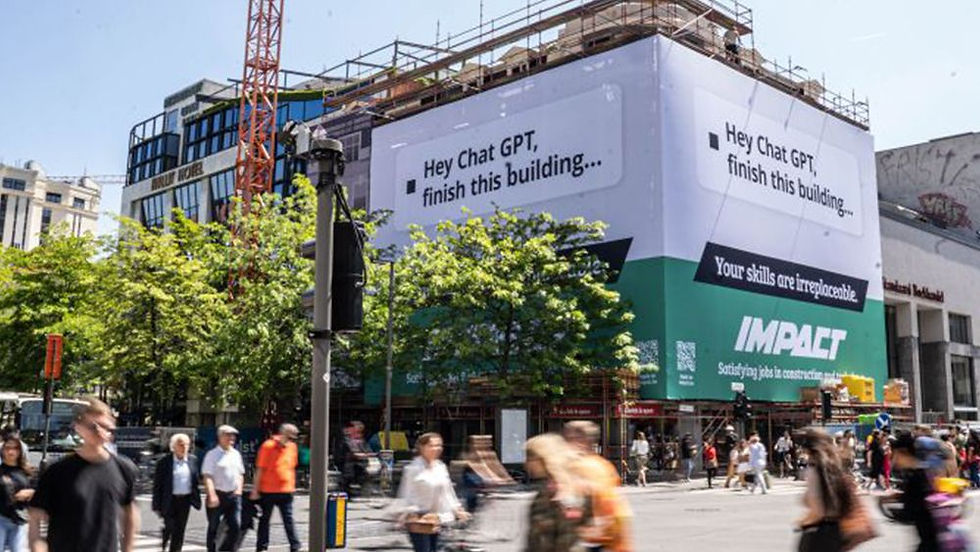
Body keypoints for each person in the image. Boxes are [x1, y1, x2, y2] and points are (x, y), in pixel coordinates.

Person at [28, 398, 139, 552]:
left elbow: (130, 511)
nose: (100, 432)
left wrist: (128, 548)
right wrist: (37, 547)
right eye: (93, 426)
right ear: (78, 427)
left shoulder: (124, 468)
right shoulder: (57, 471)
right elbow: (35, 516)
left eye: (106, 427)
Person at [564, 421, 633, 552]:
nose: (565, 444)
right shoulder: (603, 466)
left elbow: (609, 508)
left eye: (569, 438)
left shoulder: (585, 467)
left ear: (581, 441)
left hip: (594, 542)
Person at [396, 433, 469, 552]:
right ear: (422, 447)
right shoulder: (413, 468)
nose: (437, 449)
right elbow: (406, 493)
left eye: (439, 445)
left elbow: (447, 491)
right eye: (432, 445)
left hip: (439, 518)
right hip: (419, 519)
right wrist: (406, 513)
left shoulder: (440, 467)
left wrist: (457, 509)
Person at [524, 434, 588, 552]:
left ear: (544, 458)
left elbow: (569, 541)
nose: (526, 464)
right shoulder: (545, 491)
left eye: (531, 458)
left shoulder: (566, 494)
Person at [796, 429, 856, 552]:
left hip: (819, 536)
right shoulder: (834, 466)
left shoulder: (814, 470)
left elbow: (818, 511)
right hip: (837, 532)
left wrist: (803, 522)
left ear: (807, 449)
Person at [883, 432, 940, 552]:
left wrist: (887, 508)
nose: (894, 458)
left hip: (931, 544)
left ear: (904, 452)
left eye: (895, 453)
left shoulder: (915, 478)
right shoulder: (924, 471)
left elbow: (909, 514)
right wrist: (900, 497)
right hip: (933, 541)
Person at [251, 423, 301, 552]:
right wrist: (255, 490)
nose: (292, 440)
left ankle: (295, 546)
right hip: (268, 490)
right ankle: (261, 546)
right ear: (283, 434)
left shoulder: (292, 447)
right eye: (290, 437)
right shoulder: (268, 446)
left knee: (288, 519)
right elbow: (260, 469)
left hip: (286, 489)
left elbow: (292, 466)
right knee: (265, 519)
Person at [152, 433, 201, 552]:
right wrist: (156, 504)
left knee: (180, 530)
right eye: (181, 444)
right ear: (173, 446)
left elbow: (195, 481)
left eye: (187, 445)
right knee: (170, 526)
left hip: (185, 500)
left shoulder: (193, 460)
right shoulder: (164, 462)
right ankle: (165, 538)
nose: (184, 447)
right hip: (169, 499)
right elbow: (157, 485)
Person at [202, 425, 245, 552]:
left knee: (236, 526)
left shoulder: (236, 454)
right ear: (220, 437)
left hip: (233, 495)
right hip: (217, 494)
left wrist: (239, 491)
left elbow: (240, 474)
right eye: (228, 435)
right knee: (214, 527)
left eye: (233, 436)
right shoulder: (212, 455)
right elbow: (207, 476)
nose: (231, 438)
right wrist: (212, 494)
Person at [0, 435, 33, 551]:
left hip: (20, 520)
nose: (11, 451)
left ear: (20, 451)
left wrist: (30, 492)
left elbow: (40, 491)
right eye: (7, 448)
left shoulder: (26, 471)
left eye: (15, 448)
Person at [340, 421, 372, 495]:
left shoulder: (361, 441)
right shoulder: (347, 440)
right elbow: (352, 452)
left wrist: (367, 454)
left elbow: (368, 450)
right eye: (357, 431)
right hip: (349, 465)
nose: (359, 434)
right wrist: (362, 455)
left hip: (361, 464)